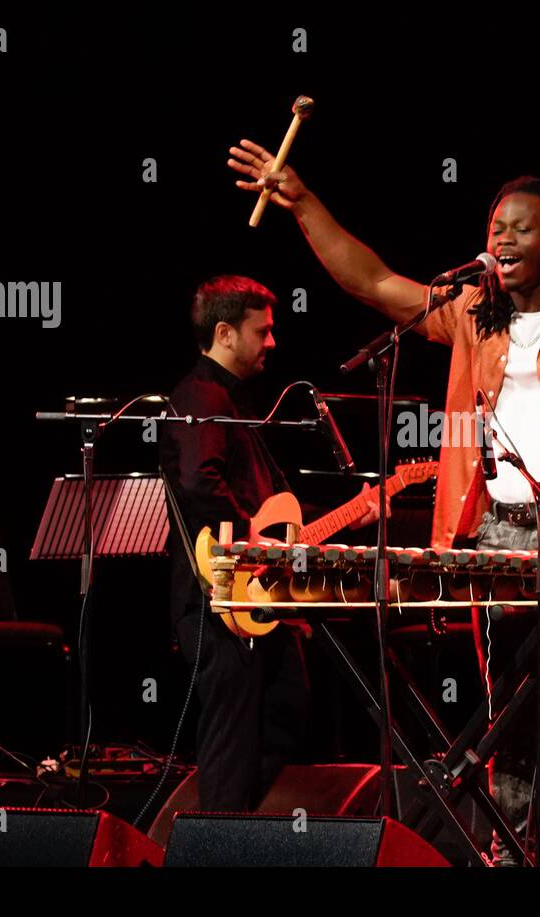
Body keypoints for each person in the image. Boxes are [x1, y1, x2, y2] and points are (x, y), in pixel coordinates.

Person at [227, 125, 540, 861]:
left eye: (521, 227)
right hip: (495, 535)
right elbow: (375, 283)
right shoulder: (473, 314)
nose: (503, 238)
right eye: (494, 227)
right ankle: (510, 856)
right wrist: (302, 203)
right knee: (503, 725)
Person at [160, 275, 378, 811]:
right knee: (233, 740)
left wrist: (353, 515)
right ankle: (219, 839)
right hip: (222, 600)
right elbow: (197, 482)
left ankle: (249, 831)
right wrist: (254, 548)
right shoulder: (199, 397)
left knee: (285, 710)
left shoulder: (233, 403)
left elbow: (279, 519)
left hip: (254, 598)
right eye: (264, 330)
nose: (273, 342)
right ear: (225, 333)